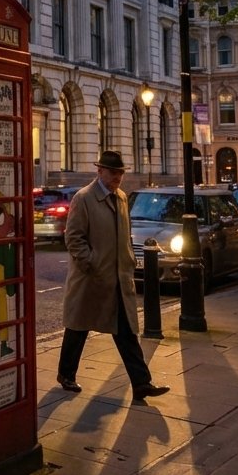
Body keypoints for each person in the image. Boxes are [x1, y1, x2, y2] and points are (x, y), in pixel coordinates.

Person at [57, 150, 170, 403]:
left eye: (121, 172)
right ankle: (66, 374)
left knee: (126, 332)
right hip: (91, 278)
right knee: (78, 327)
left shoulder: (120, 197)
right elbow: (73, 238)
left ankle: (142, 384)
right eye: (113, 172)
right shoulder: (84, 198)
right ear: (100, 171)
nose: (118, 177)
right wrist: (91, 263)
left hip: (118, 278)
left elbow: (124, 234)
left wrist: (129, 261)